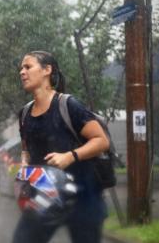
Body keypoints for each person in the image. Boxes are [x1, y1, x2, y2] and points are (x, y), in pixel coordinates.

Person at [12, 51, 110, 243]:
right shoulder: (24, 113)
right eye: (21, 68)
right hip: (44, 194)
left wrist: (70, 156)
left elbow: (101, 141)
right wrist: (24, 165)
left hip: (83, 196)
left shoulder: (68, 105)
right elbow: (26, 149)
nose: (22, 72)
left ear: (47, 70)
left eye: (28, 67)